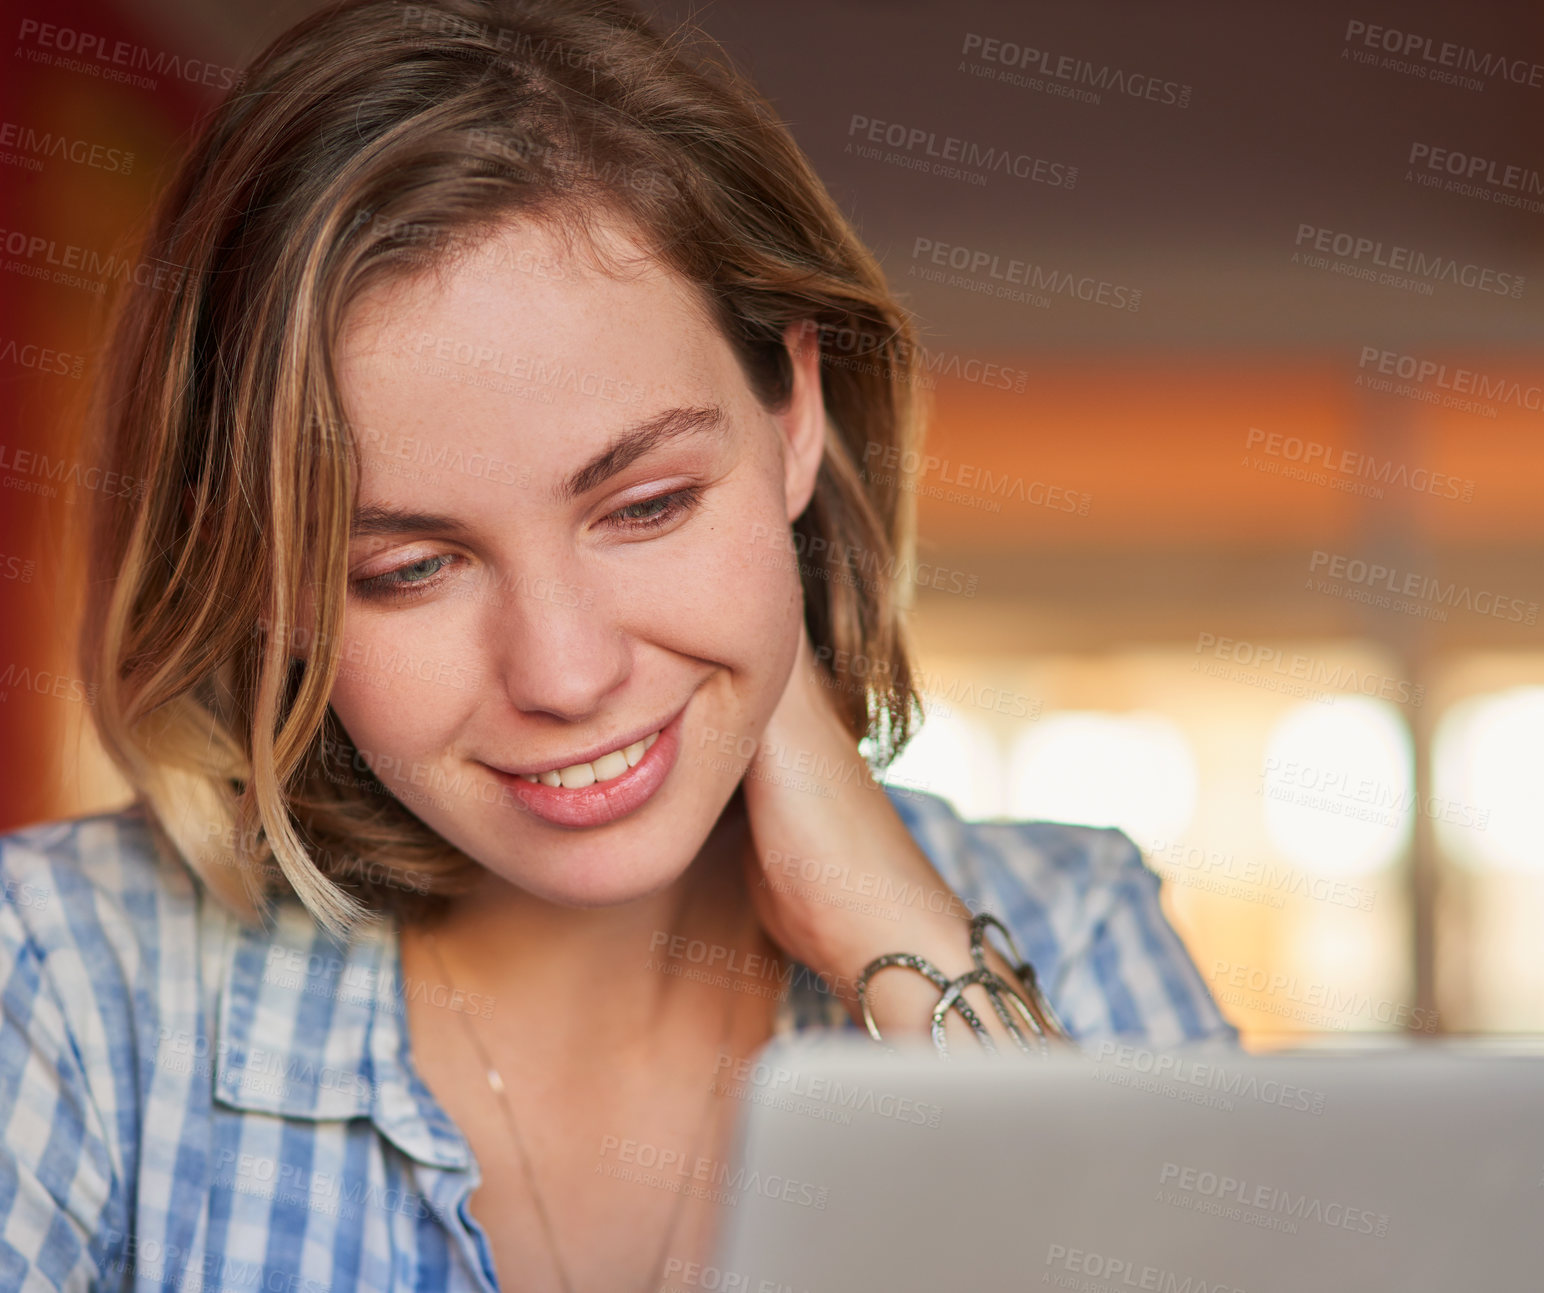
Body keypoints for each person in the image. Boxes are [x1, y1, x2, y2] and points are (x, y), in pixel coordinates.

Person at [0, 1, 1237, 1289]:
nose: (565, 674)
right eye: (406, 570)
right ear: (261, 581)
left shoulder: (1074, 937)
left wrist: (904, 949)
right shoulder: (61, 989)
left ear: (794, 413)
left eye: (646, 506)